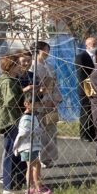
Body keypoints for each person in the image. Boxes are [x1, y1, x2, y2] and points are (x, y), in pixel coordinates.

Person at [0, 54, 30, 194]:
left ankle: (18, 183)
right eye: (17, 64)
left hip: (16, 118)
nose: (20, 66)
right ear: (11, 66)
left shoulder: (13, 80)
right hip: (11, 120)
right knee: (11, 151)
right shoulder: (8, 82)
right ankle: (8, 186)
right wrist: (24, 96)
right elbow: (10, 101)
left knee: (19, 151)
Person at [32, 42, 61, 170]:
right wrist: (42, 99)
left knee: (51, 130)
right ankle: (40, 158)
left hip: (51, 102)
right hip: (38, 102)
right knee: (39, 131)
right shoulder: (32, 66)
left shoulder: (49, 66)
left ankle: (49, 158)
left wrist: (55, 100)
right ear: (38, 50)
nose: (48, 52)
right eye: (45, 50)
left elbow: (55, 84)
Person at [15, 97, 48, 194]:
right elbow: (24, 132)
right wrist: (36, 131)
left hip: (32, 145)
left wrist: (38, 130)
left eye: (37, 104)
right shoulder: (25, 118)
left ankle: (31, 188)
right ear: (26, 104)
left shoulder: (32, 116)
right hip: (27, 146)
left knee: (32, 166)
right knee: (35, 165)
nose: (36, 106)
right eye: (34, 104)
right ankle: (37, 188)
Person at [75, 36, 97, 141]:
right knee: (85, 110)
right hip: (85, 87)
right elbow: (81, 75)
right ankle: (84, 134)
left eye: (96, 44)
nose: (94, 46)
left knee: (95, 111)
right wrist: (90, 89)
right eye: (92, 44)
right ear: (86, 45)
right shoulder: (81, 57)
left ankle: (93, 134)